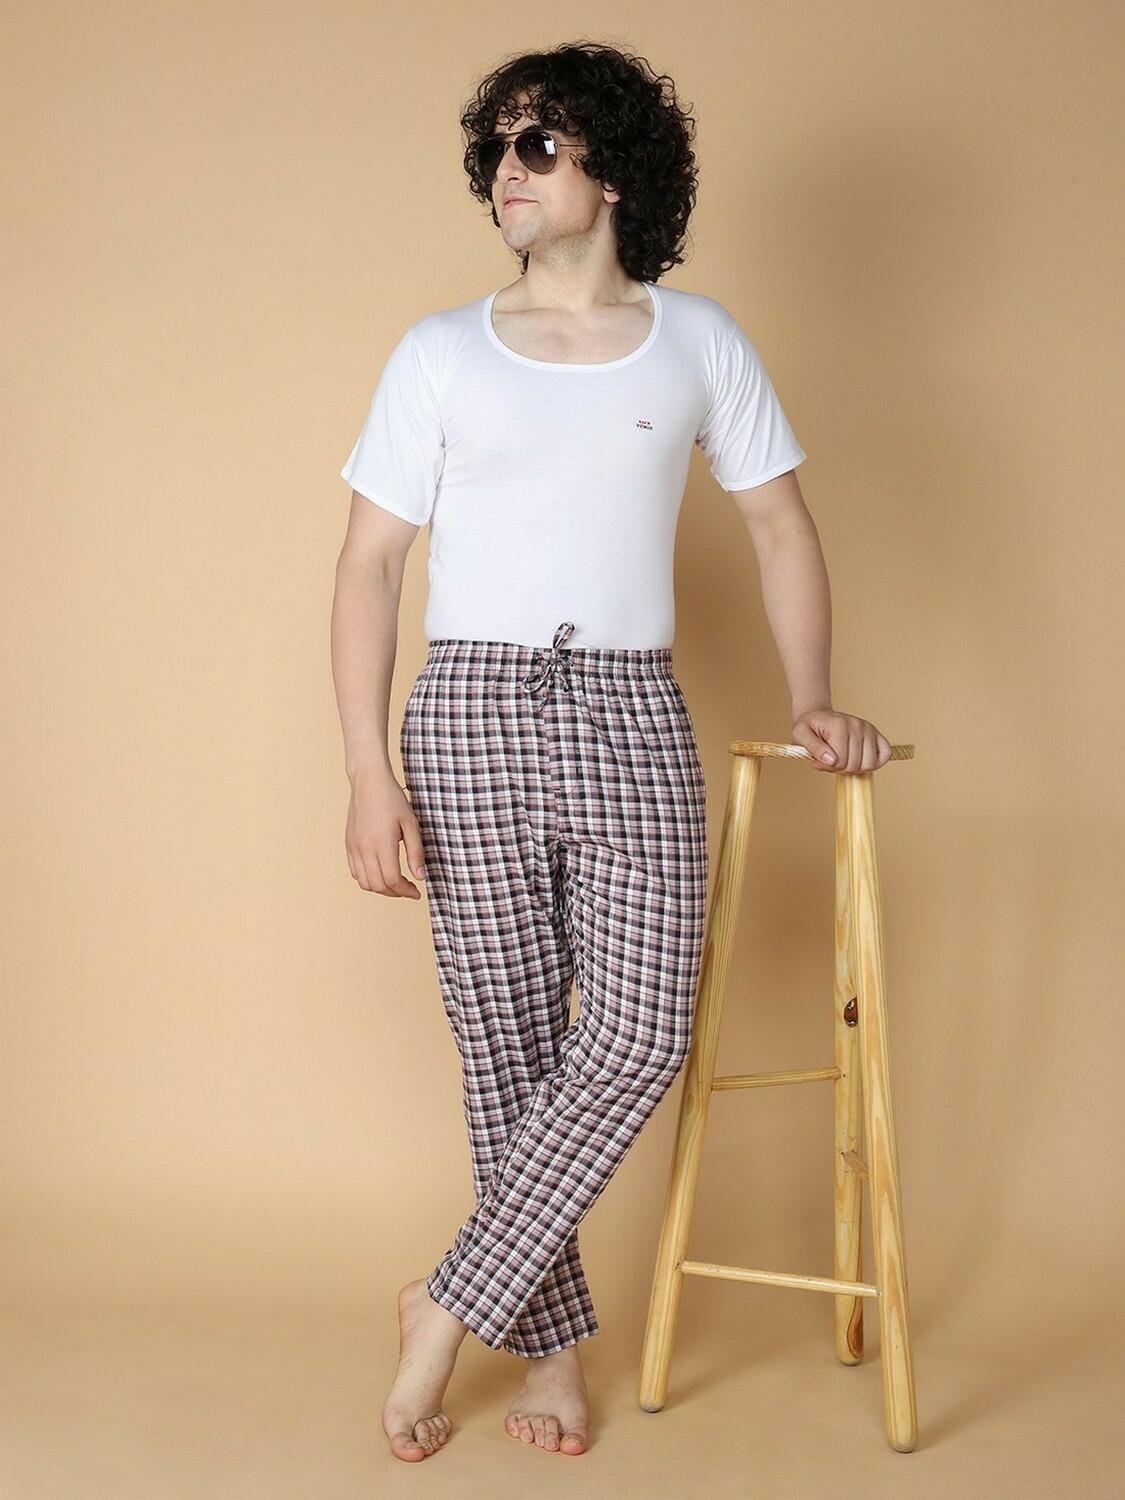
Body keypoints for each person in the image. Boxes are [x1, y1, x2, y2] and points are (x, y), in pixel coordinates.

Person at [330, 43, 893, 1464]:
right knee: (510, 1054)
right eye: (498, 149)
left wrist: (814, 695)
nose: (507, 173)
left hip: (633, 709)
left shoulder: (697, 340)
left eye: (540, 145)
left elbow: (779, 525)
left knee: (636, 1035)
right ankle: (551, 1358)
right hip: (469, 710)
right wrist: (366, 772)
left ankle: (444, 1305)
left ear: (616, 172)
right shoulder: (439, 353)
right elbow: (369, 567)